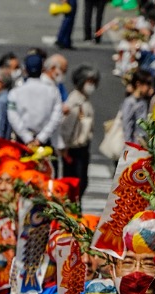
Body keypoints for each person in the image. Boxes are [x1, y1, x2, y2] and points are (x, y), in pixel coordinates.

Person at [8, 54, 66, 150]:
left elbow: (13, 117)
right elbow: (56, 116)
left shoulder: (15, 92)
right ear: (42, 69)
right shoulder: (53, 91)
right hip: (45, 143)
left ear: (25, 70)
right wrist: (41, 138)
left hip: (22, 143)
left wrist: (27, 138)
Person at [60, 66, 98, 201]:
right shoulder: (75, 101)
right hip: (73, 148)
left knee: (81, 182)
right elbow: (67, 125)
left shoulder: (84, 99)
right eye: (89, 81)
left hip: (82, 147)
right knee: (75, 182)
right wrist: (64, 147)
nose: (91, 85)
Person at [119, 69, 154, 146]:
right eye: (148, 83)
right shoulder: (130, 102)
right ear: (138, 84)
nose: (150, 87)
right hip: (134, 144)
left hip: (143, 143)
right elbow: (127, 125)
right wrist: (129, 145)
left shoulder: (144, 101)